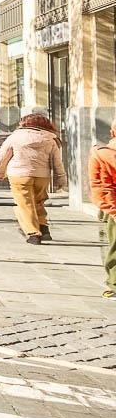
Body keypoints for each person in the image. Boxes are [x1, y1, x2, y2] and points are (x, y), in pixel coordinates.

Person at [0, 112, 69, 244]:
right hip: (42, 176)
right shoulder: (50, 139)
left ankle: (33, 233)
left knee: (25, 203)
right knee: (39, 201)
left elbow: (3, 156)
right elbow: (57, 161)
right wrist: (61, 178)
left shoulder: (15, 137)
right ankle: (44, 228)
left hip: (19, 175)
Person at [89, 120, 115, 299]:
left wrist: (111, 210)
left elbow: (101, 187)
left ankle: (114, 285)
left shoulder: (101, 154)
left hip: (112, 208)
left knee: (113, 248)